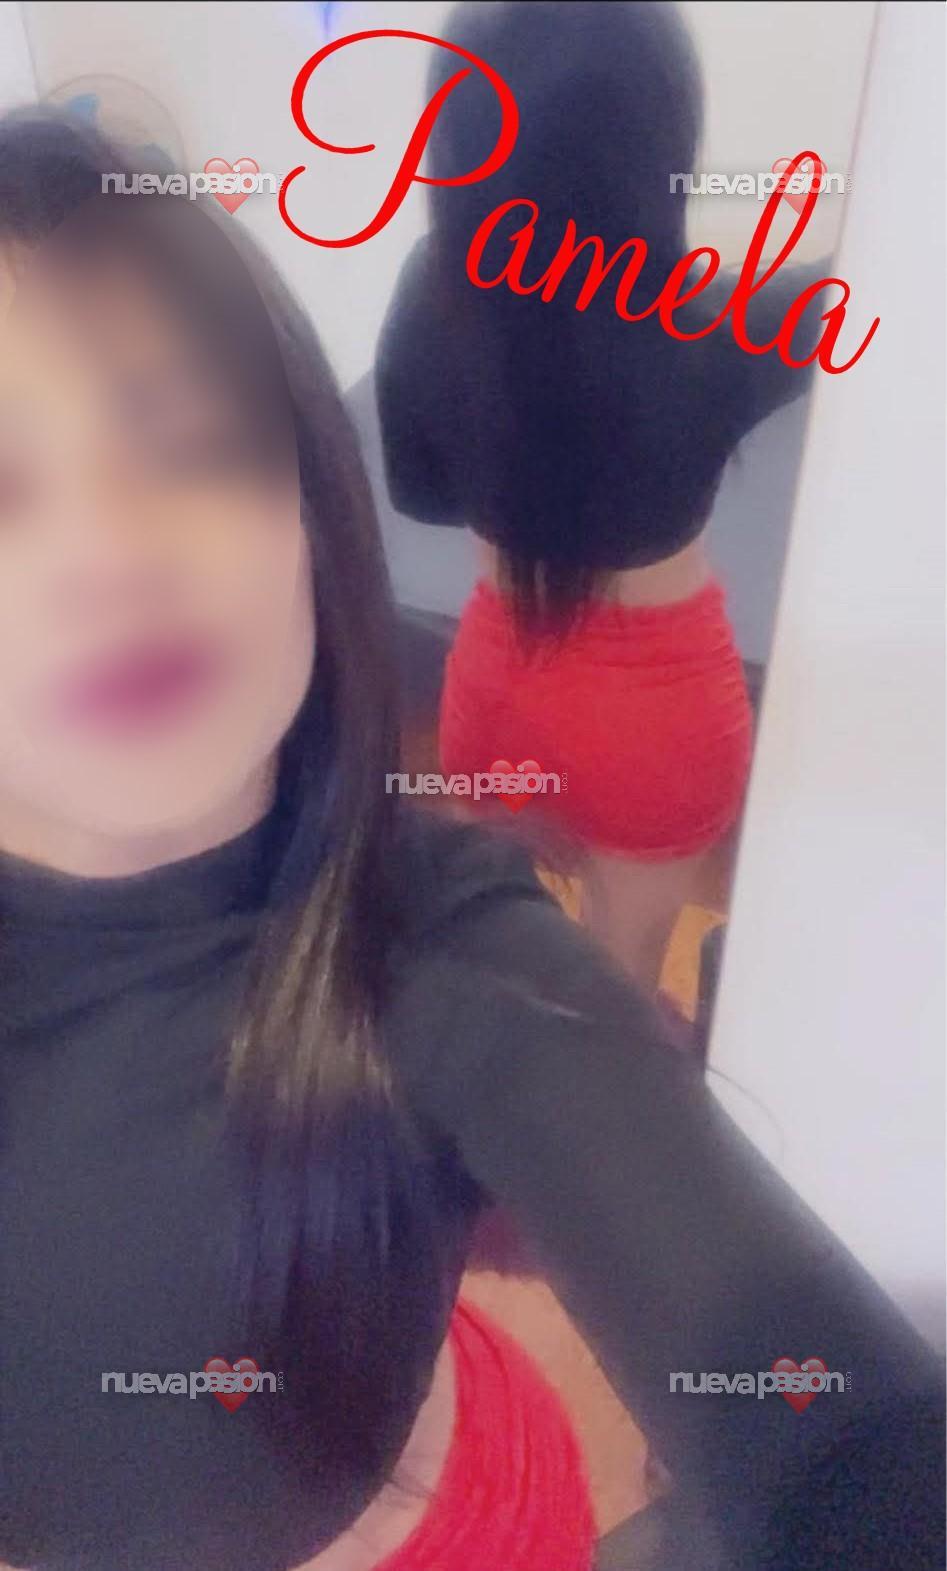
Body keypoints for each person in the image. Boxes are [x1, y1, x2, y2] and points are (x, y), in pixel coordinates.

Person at [0, 111, 942, 1571]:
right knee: (618, 954)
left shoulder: (438, 310)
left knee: (562, 1012)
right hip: (651, 693)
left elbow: (839, 1439)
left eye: (187, 443)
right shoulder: (695, 325)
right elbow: (826, 330)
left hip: (504, 666)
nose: (111, 550)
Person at [376, 0, 831, 986]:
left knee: (492, 953)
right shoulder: (724, 321)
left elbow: (420, 494)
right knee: (615, 996)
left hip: (497, 684)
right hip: (655, 725)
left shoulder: (428, 291)